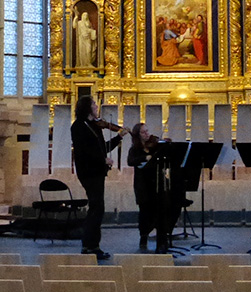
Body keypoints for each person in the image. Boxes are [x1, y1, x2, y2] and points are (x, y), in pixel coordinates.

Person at [71, 95, 121, 259]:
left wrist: (119, 137)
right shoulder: (78, 126)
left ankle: (91, 245)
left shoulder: (95, 126)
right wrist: (102, 159)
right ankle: (90, 245)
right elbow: (83, 152)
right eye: (93, 104)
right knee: (96, 207)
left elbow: (102, 148)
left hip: (97, 171)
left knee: (97, 208)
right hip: (88, 172)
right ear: (87, 107)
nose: (96, 106)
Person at [128, 121, 176, 253]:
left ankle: (162, 240)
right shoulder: (135, 149)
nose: (147, 134)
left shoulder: (155, 146)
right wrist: (145, 157)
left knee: (160, 210)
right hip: (142, 185)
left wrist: (166, 145)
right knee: (145, 212)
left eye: (147, 131)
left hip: (156, 183)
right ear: (137, 135)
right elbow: (130, 161)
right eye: (143, 132)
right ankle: (143, 235)